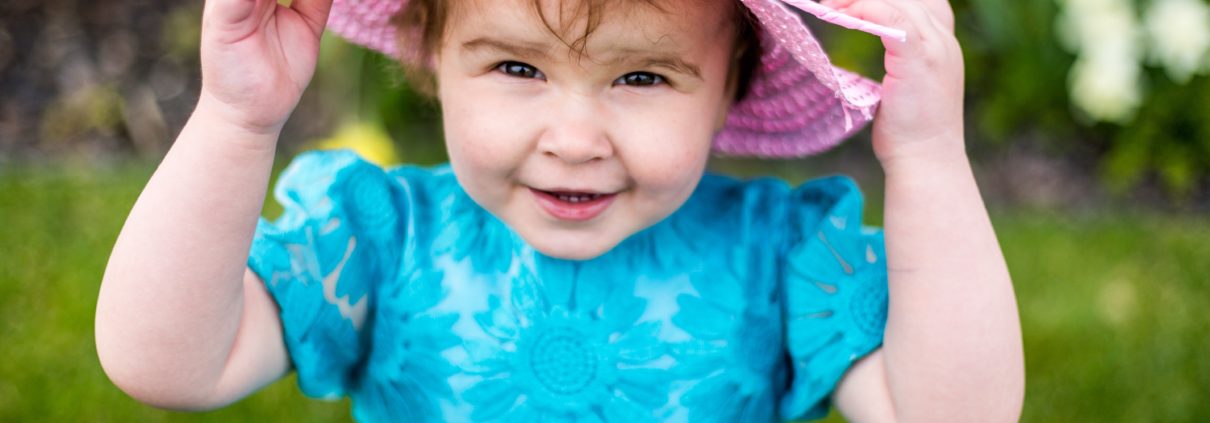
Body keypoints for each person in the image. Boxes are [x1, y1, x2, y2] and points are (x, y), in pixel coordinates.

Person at [95, 0, 1024, 421]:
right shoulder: (377, 238)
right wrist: (236, 117)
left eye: (643, 76)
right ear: (431, 59)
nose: (574, 136)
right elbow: (165, 362)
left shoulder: (776, 259)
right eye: (517, 67)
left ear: (734, 87)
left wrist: (931, 157)